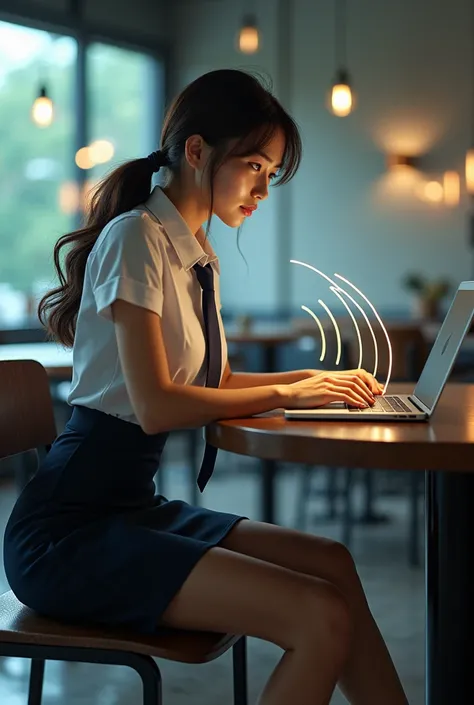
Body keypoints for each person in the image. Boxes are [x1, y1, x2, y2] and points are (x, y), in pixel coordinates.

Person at [3, 69, 408, 705]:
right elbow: (159, 404)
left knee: (331, 562)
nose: (262, 189)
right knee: (317, 615)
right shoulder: (134, 236)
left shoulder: (191, 251)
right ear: (196, 151)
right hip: (68, 533)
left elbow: (212, 382)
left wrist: (312, 380)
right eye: (254, 167)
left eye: (271, 174)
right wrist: (287, 395)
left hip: (130, 508)